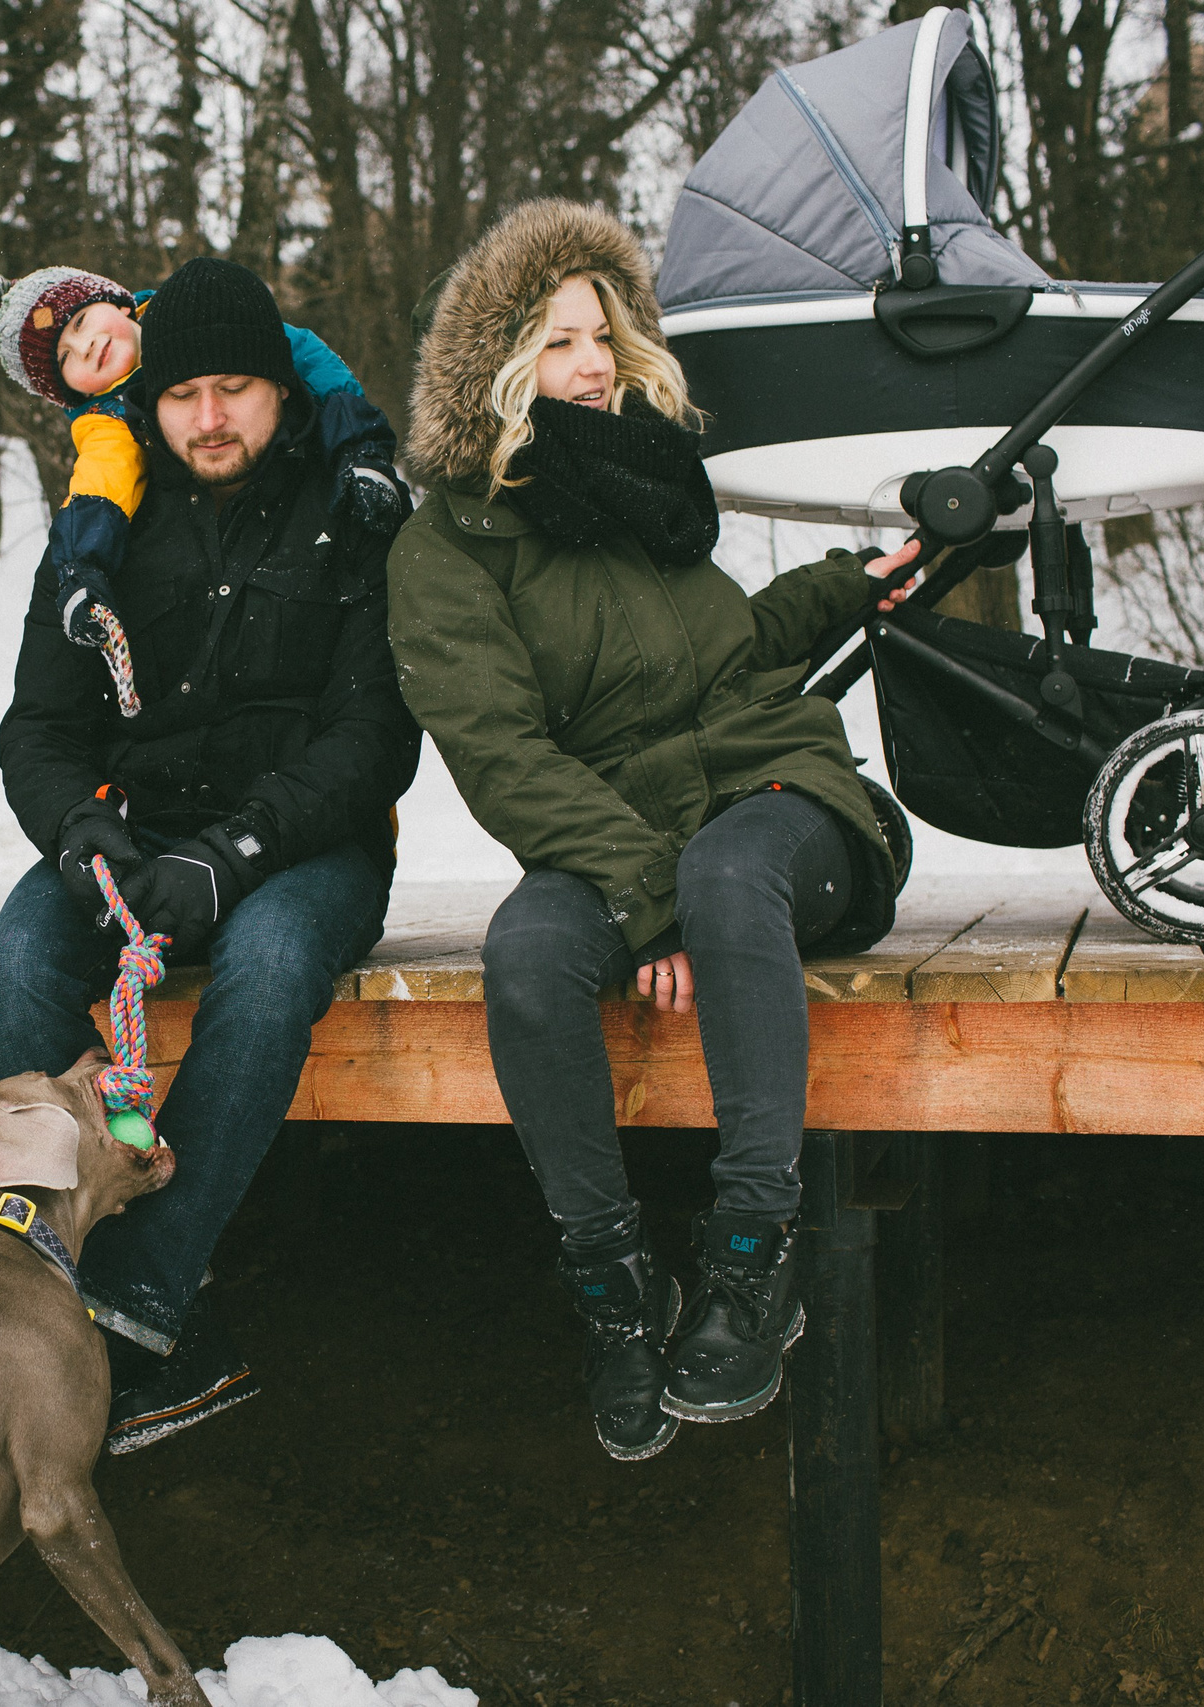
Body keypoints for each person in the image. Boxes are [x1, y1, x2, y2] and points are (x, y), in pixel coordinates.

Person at [385, 200, 918, 1463]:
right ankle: (615, 1286)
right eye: (561, 340)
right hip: (609, 827)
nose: (594, 363)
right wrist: (642, 891)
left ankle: (748, 1257)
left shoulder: (640, 487)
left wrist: (853, 583)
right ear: (494, 367)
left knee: (733, 876)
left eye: (606, 335)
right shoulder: (444, 548)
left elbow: (725, 660)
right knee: (527, 957)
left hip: (769, 790)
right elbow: (502, 756)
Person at [0, 257, 423, 1454]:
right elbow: (40, 724)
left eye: (234, 390)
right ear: (146, 404)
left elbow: (374, 732)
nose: (208, 419)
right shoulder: (100, 526)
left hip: (300, 844)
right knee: (9, 972)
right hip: (130, 830)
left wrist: (241, 848)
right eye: (182, 397)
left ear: (278, 388)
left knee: (268, 977)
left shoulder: (352, 507)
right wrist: (79, 833)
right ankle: (141, 1298)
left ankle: (135, 1297)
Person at [0, 265, 409, 713]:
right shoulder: (104, 420)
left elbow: (310, 361)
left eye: (80, 322)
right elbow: (100, 486)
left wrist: (361, 448)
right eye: (65, 358)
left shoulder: (198, 310)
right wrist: (82, 566)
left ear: (118, 302)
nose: (87, 346)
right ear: (67, 394)